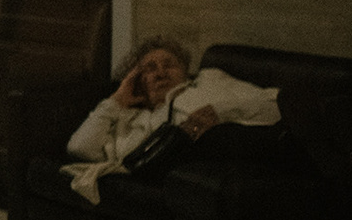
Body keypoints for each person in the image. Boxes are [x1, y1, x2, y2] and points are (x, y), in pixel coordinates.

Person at [62, 37, 282, 203]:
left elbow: (276, 106)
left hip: (240, 154)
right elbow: (79, 148)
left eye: (169, 65)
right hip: (180, 172)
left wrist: (219, 111)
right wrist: (116, 100)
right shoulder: (127, 119)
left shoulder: (210, 83)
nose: (161, 73)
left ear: (185, 72)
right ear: (137, 79)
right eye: (150, 68)